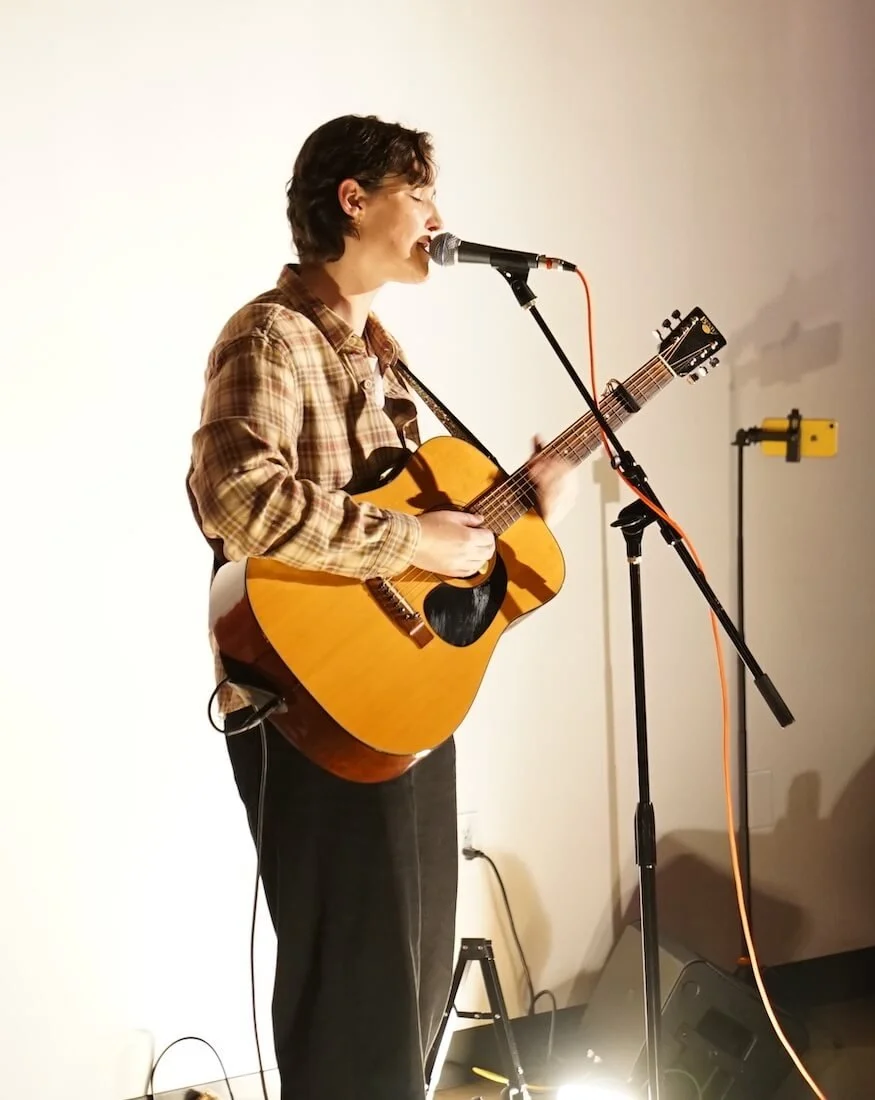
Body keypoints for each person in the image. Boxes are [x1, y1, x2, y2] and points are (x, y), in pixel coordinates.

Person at [186, 114, 576, 1100]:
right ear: (352, 199)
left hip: (398, 705)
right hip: (305, 704)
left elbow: (432, 571)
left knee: (407, 988)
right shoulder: (268, 334)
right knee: (353, 994)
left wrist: (520, 514)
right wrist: (413, 540)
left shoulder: (385, 360)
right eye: (420, 192)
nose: (439, 217)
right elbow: (236, 497)